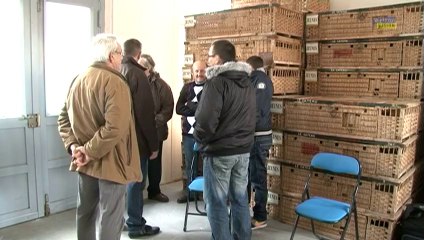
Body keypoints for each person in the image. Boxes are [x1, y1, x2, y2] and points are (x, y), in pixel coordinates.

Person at [58, 33, 141, 240]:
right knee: (110, 216)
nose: (121, 59)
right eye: (120, 54)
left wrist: (74, 147)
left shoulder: (77, 80)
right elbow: (115, 127)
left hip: (84, 162)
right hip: (111, 161)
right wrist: (85, 151)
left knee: (85, 213)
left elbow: (63, 119)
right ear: (111, 56)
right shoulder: (114, 82)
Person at [194, 40, 256, 240]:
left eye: (210, 56)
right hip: (243, 151)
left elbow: (205, 119)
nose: (208, 60)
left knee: (217, 202)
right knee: (240, 199)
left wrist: (200, 139)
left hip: (220, 151)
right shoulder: (247, 82)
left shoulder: (216, 82)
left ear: (218, 58)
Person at [120, 39, 160, 238]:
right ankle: (135, 224)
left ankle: (122, 221)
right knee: (136, 182)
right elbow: (145, 113)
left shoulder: (115, 71)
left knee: (120, 183)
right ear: (138, 53)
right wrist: (153, 144)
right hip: (137, 141)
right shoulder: (137, 74)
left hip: (118, 140)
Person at [138, 54, 174, 203]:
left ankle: (154, 190)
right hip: (138, 131)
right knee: (138, 163)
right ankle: (135, 194)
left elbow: (168, 108)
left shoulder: (162, 86)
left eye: (142, 67)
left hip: (155, 130)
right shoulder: (135, 81)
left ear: (150, 68)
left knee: (155, 162)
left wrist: (152, 122)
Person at [246, 56, 273, 230]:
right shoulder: (265, 80)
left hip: (257, 135)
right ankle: (251, 213)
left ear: (250, 67)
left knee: (257, 176)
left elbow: (254, 110)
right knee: (255, 175)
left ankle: (260, 216)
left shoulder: (257, 79)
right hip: (260, 135)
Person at [175, 60, 207, 203]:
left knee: (207, 165)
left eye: (202, 70)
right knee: (190, 165)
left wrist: (192, 106)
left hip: (205, 134)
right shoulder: (187, 88)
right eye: (197, 71)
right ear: (192, 72)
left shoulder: (210, 88)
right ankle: (191, 193)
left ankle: (207, 194)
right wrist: (197, 108)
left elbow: (208, 110)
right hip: (188, 134)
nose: (199, 74)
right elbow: (178, 109)